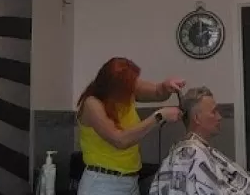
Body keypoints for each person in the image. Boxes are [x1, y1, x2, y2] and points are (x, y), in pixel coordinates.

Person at [150, 87, 250, 195]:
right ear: (197, 118)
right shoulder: (189, 155)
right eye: (214, 112)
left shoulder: (198, 150)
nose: (219, 117)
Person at [77, 57, 186, 195]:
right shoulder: (92, 104)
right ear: (115, 86)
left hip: (131, 181)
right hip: (102, 183)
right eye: (130, 85)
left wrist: (166, 86)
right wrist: (159, 116)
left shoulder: (127, 90)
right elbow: (120, 140)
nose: (134, 88)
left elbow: (157, 92)